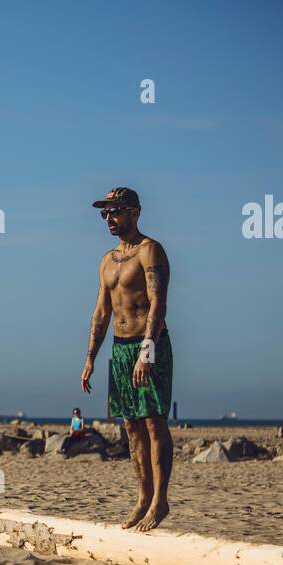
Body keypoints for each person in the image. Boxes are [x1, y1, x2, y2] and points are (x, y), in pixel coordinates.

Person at [80, 187, 174, 531]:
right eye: (104, 213)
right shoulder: (107, 260)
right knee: (130, 427)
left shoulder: (150, 251)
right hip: (120, 350)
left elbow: (158, 304)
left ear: (134, 212)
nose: (109, 218)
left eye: (115, 211)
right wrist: (90, 357)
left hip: (148, 346)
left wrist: (146, 352)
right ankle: (142, 498)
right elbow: (101, 312)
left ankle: (159, 501)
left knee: (153, 422)